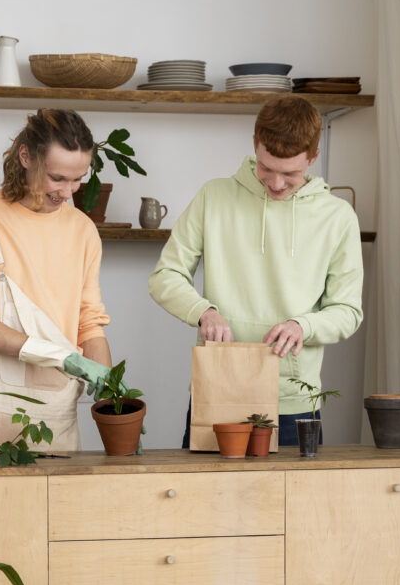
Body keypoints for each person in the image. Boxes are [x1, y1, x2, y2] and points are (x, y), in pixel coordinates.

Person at [147, 94, 364, 446]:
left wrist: (303, 326)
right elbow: (164, 276)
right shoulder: (213, 197)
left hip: (293, 402)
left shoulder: (337, 217)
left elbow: (347, 311)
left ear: (313, 157)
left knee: (291, 503)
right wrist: (204, 311)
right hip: (217, 388)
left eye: (290, 173)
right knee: (204, 502)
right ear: (254, 145)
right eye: (266, 169)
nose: (276, 184)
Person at [0, 108, 114, 451]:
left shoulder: (83, 231)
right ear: (26, 157)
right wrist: (60, 357)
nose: (68, 192)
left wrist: (112, 394)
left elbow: (89, 323)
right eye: (57, 178)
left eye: (78, 179)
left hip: (58, 421)